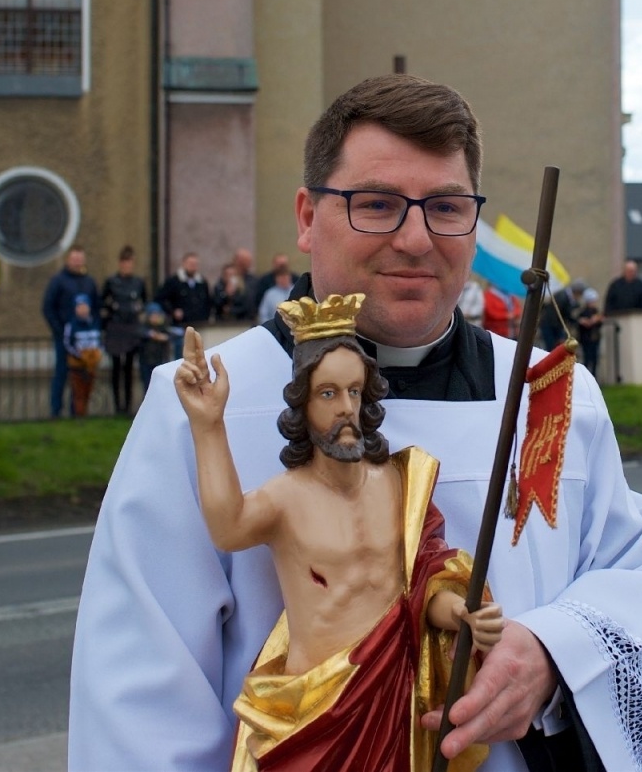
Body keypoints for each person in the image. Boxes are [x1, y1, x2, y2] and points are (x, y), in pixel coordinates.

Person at [69, 74, 642, 772]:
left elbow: (638, 567)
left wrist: (554, 652)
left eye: (446, 207)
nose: (415, 239)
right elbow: (141, 700)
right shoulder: (210, 404)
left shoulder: (550, 394)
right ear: (307, 216)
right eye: (376, 204)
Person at [176, 295, 503, 770]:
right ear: (303, 405)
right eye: (328, 394)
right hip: (315, 711)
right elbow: (227, 529)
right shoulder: (287, 498)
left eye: (354, 391)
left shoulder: (400, 483)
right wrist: (208, 424)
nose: (346, 408)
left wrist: (460, 612)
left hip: (393, 705)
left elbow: (421, 584)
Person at [41, 247, 91, 417]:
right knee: (61, 373)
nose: (77, 262)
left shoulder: (88, 282)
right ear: (68, 260)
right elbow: (48, 308)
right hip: (63, 338)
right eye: (74, 259)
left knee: (80, 375)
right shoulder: (58, 281)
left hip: (83, 339)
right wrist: (59, 330)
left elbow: (95, 307)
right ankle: (56, 410)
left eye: (80, 259)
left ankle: (77, 410)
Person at [100, 246, 148, 415]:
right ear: (120, 264)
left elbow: (144, 302)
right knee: (116, 367)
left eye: (130, 263)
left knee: (128, 367)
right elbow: (102, 302)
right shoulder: (111, 282)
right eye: (125, 263)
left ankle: (127, 406)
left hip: (131, 327)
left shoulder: (138, 283)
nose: (127, 266)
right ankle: (117, 406)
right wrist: (110, 311)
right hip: (115, 327)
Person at [157, 253, 213, 355]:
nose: (193, 267)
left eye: (195, 264)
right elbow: (161, 299)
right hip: (180, 326)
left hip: (199, 324)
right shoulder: (173, 281)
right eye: (190, 264)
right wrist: (173, 311)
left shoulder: (202, 282)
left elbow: (208, 302)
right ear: (184, 264)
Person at [64, 295, 104, 416]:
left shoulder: (95, 323)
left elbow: (100, 340)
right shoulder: (71, 325)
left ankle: (85, 413)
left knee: (88, 390)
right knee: (78, 392)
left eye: (84, 306)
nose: (82, 309)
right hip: (78, 363)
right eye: (79, 307)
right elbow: (67, 343)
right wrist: (80, 355)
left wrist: (97, 353)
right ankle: (79, 416)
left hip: (92, 363)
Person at [137, 302, 176, 395]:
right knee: (147, 386)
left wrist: (164, 337)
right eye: (153, 315)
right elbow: (141, 334)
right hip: (146, 361)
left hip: (159, 361)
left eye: (157, 315)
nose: (155, 317)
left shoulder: (163, 326)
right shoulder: (144, 327)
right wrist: (153, 335)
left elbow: (170, 335)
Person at [574, 287, 604, 377]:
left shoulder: (596, 312)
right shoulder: (583, 313)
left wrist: (598, 320)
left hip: (595, 339)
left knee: (595, 360)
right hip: (586, 339)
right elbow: (580, 324)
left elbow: (599, 324)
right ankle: (587, 377)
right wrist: (586, 322)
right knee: (587, 359)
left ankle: (594, 377)